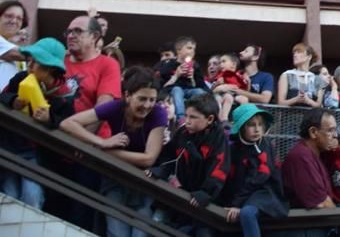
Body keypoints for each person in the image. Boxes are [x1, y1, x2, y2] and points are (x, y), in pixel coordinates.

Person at [61, 66, 165, 235]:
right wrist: (101, 142)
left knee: (140, 233)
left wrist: (107, 152)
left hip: (144, 184)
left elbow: (149, 158)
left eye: (152, 100)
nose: (147, 105)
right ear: (128, 96)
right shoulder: (116, 107)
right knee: (116, 232)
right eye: (142, 99)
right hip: (115, 180)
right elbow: (68, 123)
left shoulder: (158, 113)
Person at [0, 38, 76, 210]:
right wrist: (12, 101)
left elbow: (68, 125)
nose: (30, 65)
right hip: (10, 147)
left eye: (36, 62)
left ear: (50, 68)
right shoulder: (20, 78)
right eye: (30, 60)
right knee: (8, 193)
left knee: (32, 196)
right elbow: (2, 97)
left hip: (37, 156)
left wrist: (50, 120)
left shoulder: (65, 97)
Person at [149, 93, 230, 234]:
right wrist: (159, 171)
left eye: (193, 117)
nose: (187, 121)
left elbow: (219, 169)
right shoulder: (182, 132)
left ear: (210, 119)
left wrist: (205, 192)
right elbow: (168, 156)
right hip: (183, 194)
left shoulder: (219, 139)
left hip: (207, 202)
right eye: (186, 116)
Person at [219, 104, 288, 237]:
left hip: (265, 192)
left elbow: (259, 177)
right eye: (251, 125)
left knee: (247, 213)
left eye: (260, 124)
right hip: (242, 193)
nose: (257, 129)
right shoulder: (233, 147)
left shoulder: (265, 146)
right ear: (241, 127)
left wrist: (237, 204)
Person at [64, 13, 121, 132]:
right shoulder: (59, 60)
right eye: (68, 32)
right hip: (52, 137)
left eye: (78, 31)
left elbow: (103, 108)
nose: (70, 36)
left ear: (94, 37)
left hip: (89, 143)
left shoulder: (108, 64)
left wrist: (79, 142)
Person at [283, 108, 337, 210]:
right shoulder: (301, 156)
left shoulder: (318, 153)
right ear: (313, 132)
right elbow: (322, 204)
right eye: (330, 130)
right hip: (307, 223)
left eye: (335, 130)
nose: (335, 135)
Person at [276, 43, 325, 107]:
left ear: (309, 56)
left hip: (312, 116)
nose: (295, 55)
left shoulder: (317, 79)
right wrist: (296, 99)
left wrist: (308, 100)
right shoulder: (286, 75)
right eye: (294, 53)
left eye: (299, 52)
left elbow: (319, 105)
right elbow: (280, 102)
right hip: (291, 115)